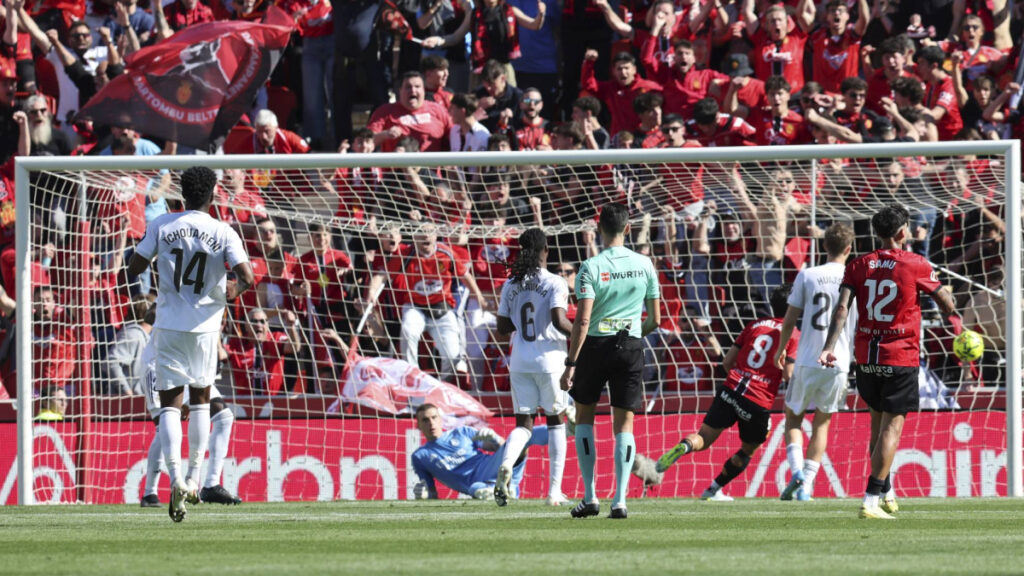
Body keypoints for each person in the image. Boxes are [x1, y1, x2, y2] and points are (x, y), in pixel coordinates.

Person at [127, 166, 255, 523]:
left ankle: (175, 478)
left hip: (167, 325)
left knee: (170, 405)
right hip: (205, 330)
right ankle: (196, 477)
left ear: (181, 194)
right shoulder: (223, 230)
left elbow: (135, 268)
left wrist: (150, 259)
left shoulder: (163, 225)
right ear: (213, 195)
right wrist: (233, 289)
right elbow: (247, 276)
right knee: (200, 401)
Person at [819, 205, 962, 520]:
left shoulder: (857, 265)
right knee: (892, 429)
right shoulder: (916, 264)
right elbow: (946, 304)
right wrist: (948, 297)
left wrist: (829, 347)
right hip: (899, 355)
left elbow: (841, 309)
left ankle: (885, 493)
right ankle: (870, 499)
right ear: (902, 232)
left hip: (866, 358)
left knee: (877, 426)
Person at [560, 202, 660, 519]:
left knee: (585, 418)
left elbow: (583, 319)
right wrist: (631, 333)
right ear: (628, 228)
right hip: (630, 346)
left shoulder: (591, 266)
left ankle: (590, 496)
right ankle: (620, 500)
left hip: (595, 346)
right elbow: (656, 319)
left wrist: (571, 363)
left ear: (599, 229)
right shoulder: (645, 264)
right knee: (624, 424)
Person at [656, 284, 797, 501]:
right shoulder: (794, 335)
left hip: (730, 388)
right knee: (749, 449)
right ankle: (713, 490)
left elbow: (726, 362)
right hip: (757, 400)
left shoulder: (754, 325)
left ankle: (684, 446)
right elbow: (788, 374)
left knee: (703, 438)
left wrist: (743, 377)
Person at [772, 223, 857, 501]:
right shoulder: (855, 277)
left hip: (807, 358)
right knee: (822, 424)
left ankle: (796, 471)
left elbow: (789, 319)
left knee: (793, 418)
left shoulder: (807, 275)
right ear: (849, 248)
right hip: (839, 361)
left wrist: (782, 350)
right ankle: (806, 485)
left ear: (823, 246)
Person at [495, 229, 574, 506]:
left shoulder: (510, 284)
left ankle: (506, 463)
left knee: (524, 424)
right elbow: (559, 321)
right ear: (546, 251)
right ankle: (554, 492)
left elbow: (502, 327)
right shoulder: (556, 282)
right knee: (556, 421)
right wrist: (582, 333)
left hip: (520, 360)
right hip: (550, 360)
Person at [139, 306, 242, 508]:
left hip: (192, 363)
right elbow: (150, 315)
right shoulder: (178, 288)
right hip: (160, 361)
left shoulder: (215, 289)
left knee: (223, 417)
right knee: (163, 426)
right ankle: (149, 493)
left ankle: (211, 484)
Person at [410, 403, 546, 500]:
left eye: (434, 418)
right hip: (478, 485)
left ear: (440, 419)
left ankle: (563, 430)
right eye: (425, 420)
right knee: (477, 489)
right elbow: (431, 493)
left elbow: (502, 448)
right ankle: (506, 490)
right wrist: (422, 496)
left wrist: (495, 439)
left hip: (494, 467)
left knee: (522, 436)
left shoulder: (463, 432)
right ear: (418, 425)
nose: (431, 423)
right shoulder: (420, 456)